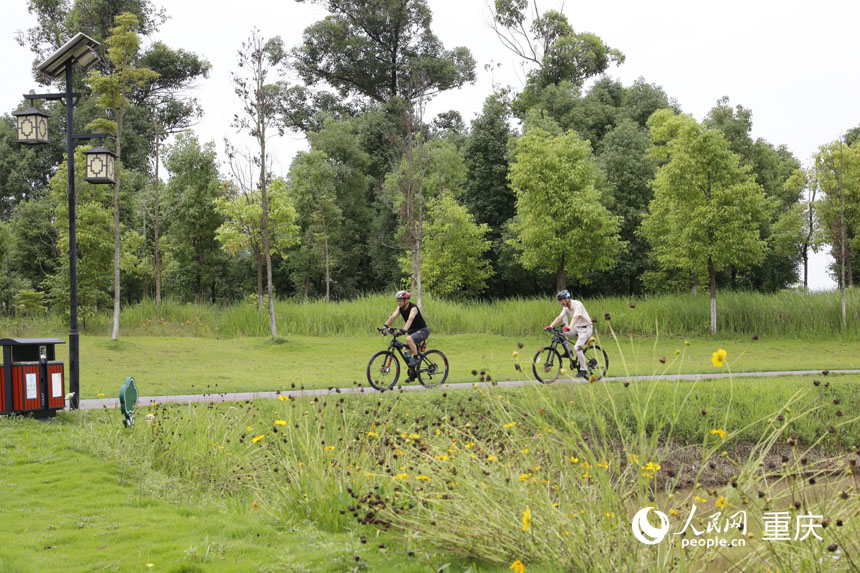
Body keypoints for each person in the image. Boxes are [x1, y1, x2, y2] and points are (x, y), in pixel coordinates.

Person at [545, 289, 593, 379]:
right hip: (577, 328)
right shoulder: (566, 308)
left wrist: (569, 327)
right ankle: (568, 352)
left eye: (562, 300)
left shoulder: (578, 304)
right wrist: (550, 326)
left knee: (577, 348)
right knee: (561, 334)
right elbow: (559, 317)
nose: (561, 302)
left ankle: (583, 369)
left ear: (567, 299)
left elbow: (575, 318)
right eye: (560, 301)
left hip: (586, 329)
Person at [382, 290, 429, 369]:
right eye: (397, 300)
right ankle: (413, 373)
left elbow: (410, 319)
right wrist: (385, 326)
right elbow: (393, 317)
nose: (398, 302)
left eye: (400, 300)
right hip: (412, 333)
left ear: (406, 300)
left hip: (422, 331)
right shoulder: (400, 308)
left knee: (408, 339)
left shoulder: (413, 308)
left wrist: (404, 329)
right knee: (407, 355)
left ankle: (416, 358)